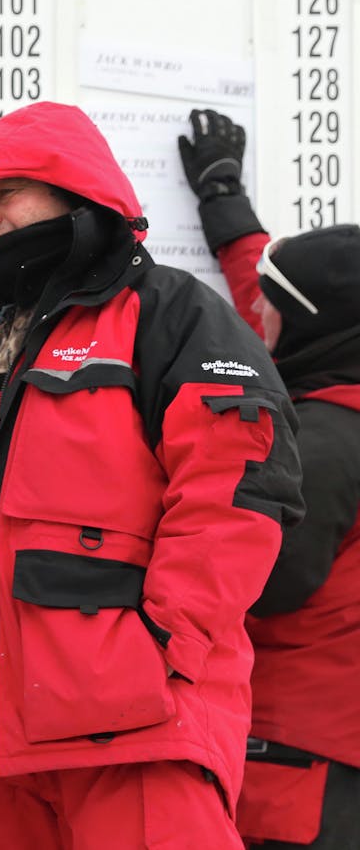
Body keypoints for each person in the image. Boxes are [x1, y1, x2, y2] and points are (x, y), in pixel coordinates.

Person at [0, 101, 303, 849]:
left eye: (6, 194)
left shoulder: (169, 311)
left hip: (138, 730)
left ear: (77, 193)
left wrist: (164, 646)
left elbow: (238, 486)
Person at [180, 108, 360, 849]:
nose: (256, 324)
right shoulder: (342, 389)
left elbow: (269, 578)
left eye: (270, 313)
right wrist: (226, 205)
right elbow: (309, 297)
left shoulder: (320, 439)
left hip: (299, 771)